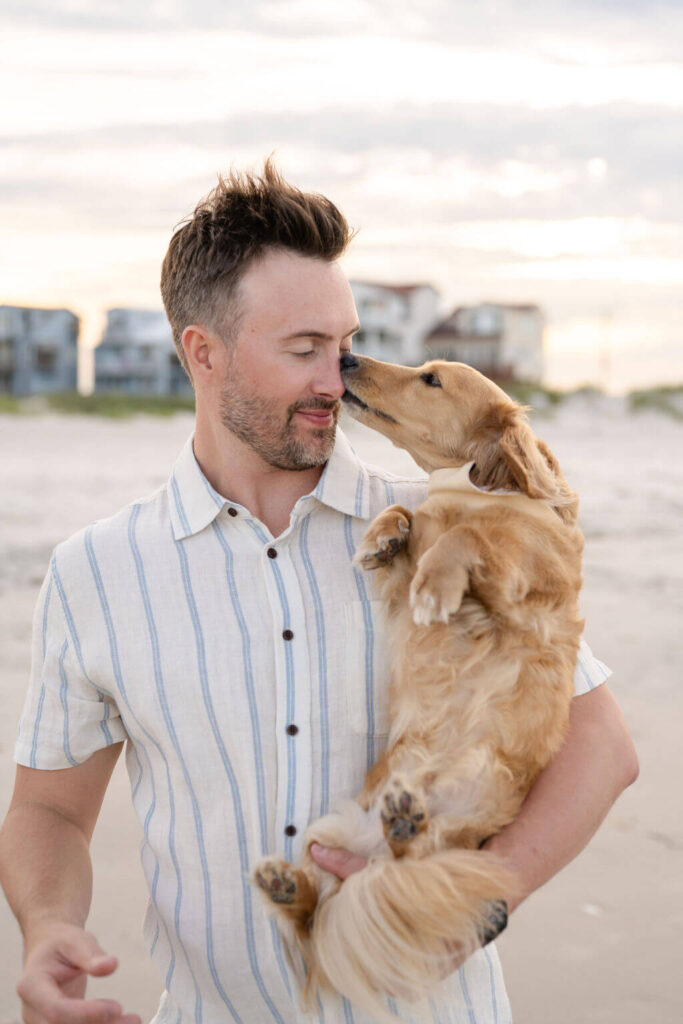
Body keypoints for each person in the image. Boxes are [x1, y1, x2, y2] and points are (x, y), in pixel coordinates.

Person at [0, 160, 638, 1024]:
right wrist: (45, 928)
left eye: (341, 347)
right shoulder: (96, 572)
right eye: (303, 352)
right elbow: (48, 812)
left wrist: (472, 912)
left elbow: (601, 749)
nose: (337, 381)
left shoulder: (448, 527)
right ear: (203, 353)